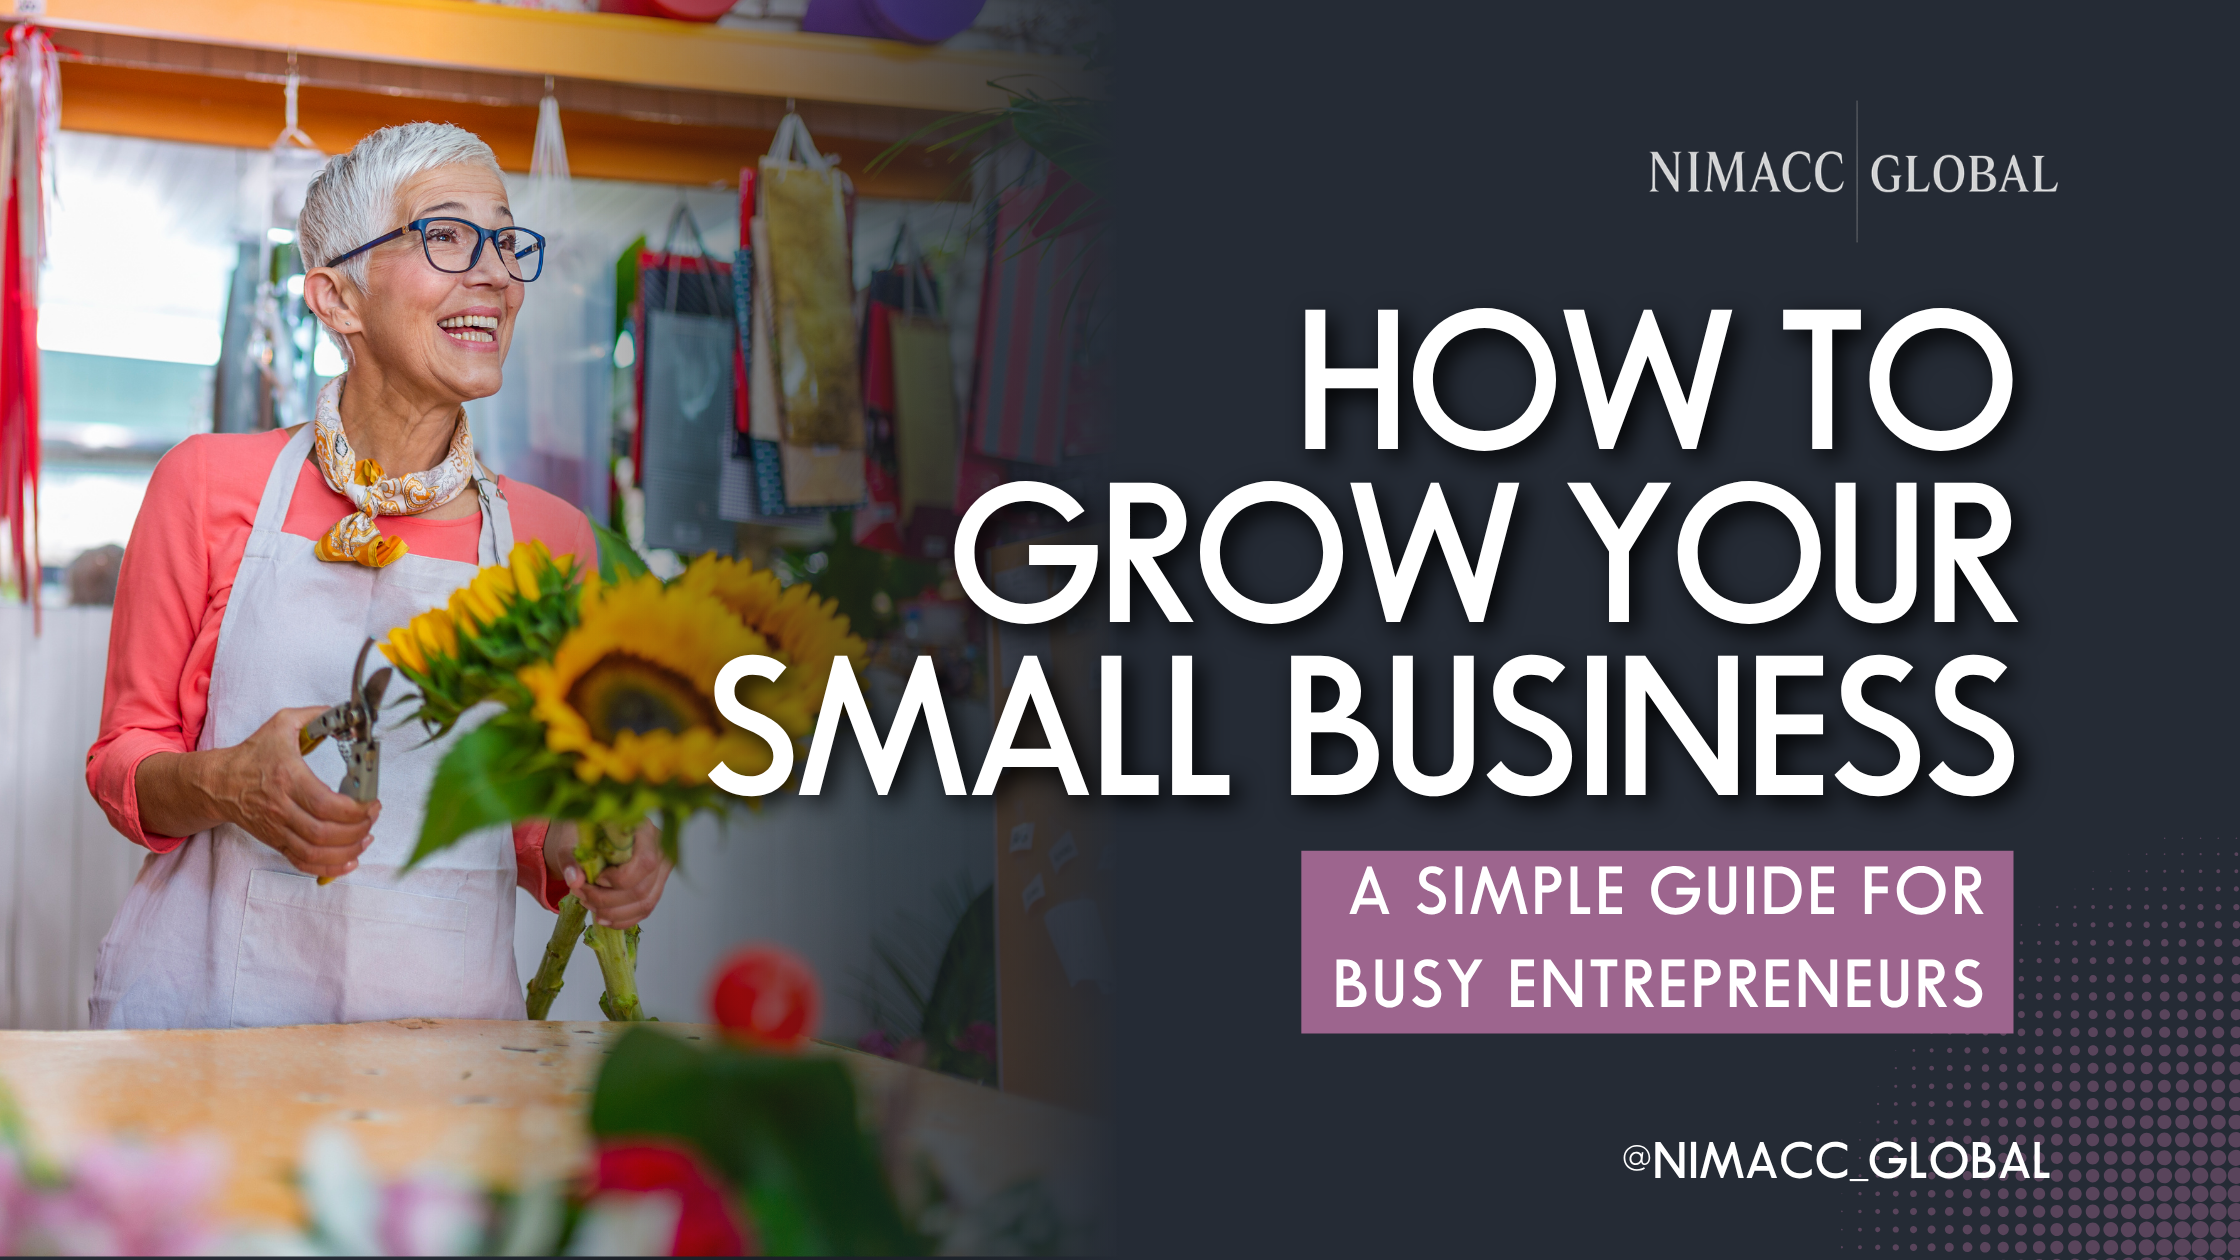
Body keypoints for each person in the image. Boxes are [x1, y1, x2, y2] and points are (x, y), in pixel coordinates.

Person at [84, 123, 670, 1029]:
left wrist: (586, 847)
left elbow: (519, 820)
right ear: (337, 299)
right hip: (209, 1026)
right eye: (445, 236)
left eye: (506, 241)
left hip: (449, 1045)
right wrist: (227, 781)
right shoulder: (204, 485)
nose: (495, 275)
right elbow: (124, 758)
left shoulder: (552, 543)